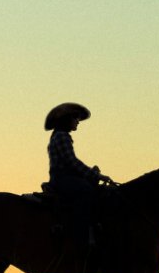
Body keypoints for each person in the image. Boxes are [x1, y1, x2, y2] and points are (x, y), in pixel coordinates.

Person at [45, 102, 112, 242]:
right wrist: (96, 175)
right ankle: (81, 235)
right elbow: (72, 162)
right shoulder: (63, 136)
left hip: (60, 177)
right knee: (87, 192)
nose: (78, 122)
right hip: (63, 179)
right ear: (66, 120)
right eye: (75, 118)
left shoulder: (56, 136)